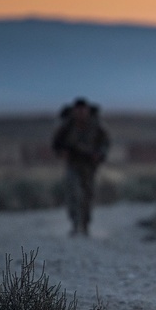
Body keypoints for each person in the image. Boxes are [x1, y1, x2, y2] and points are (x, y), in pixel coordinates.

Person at [51, 97, 110, 236]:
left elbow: (105, 143)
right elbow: (56, 143)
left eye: (84, 111)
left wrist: (99, 155)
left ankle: (85, 224)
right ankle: (75, 223)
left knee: (87, 195)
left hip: (89, 165)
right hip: (73, 163)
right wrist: (61, 152)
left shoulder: (96, 126)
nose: (81, 114)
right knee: (73, 192)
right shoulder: (67, 126)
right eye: (78, 111)